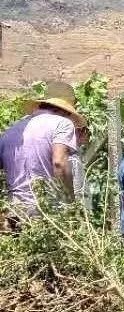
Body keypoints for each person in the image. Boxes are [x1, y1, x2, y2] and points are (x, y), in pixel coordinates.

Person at [0, 81, 85, 221]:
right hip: (45, 210)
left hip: (14, 209)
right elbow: (59, 163)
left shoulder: (12, 130)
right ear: (65, 110)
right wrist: (70, 200)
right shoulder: (62, 124)